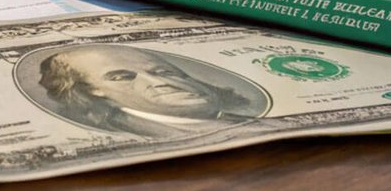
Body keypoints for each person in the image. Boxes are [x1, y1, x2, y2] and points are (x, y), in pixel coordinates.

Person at [36, 44, 263, 139]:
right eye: (122, 77)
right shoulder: (127, 132)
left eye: (165, 71)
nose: (158, 82)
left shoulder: (256, 124)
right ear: (94, 91)